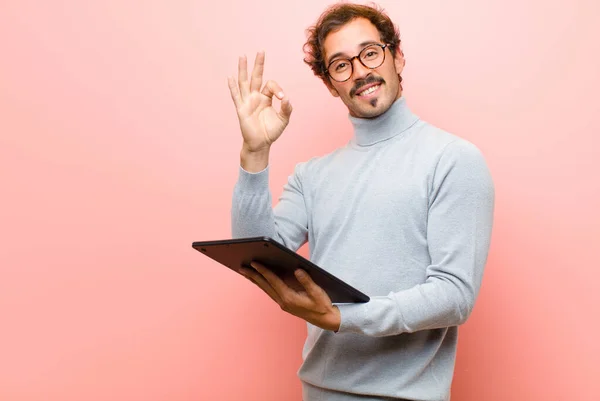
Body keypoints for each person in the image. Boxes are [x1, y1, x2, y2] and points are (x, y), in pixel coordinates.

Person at [226, 3, 495, 400]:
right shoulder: (311, 176)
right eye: (340, 65)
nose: (360, 71)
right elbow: (255, 256)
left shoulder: (453, 159)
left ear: (397, 55)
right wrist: (254, 152)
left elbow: (454, 295)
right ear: (330, 83)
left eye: (370, 53)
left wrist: (342, 318)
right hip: (317, 392)